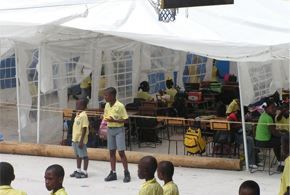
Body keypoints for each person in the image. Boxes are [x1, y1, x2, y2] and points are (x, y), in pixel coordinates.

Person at [103, 87, 131, 183]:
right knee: (111, 152)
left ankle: (126, 172)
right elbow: (106, 116)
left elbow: (126, 120)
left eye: (106, 95)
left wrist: (114, 120)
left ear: (112, 96)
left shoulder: (120, 106)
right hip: (110, 129)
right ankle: (113, 172)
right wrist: (104, 119)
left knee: (121, 152)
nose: (105, 97)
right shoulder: (107, 105)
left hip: (119, 130)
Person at [255, 99, 283, 171]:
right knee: (282, 141)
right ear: (266, 108)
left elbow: (274, 131)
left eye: (275, 107)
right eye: (272, 108)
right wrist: (283, 134)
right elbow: (274, 132)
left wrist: (281, 132)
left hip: (258, 141)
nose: (274, 109)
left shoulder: (264, 115)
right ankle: (281, 163)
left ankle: (281, 162)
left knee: (278, 141)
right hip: (264, 142)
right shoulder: (268, 118)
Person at [70, 98, 90, 178]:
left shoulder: (84, 115)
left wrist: (81, 141)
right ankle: (78, 170)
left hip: (80, 140)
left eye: (78, 105)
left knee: (84, 155)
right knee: (78, 155)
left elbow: (84, 128)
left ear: (83, 106)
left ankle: (85, 172)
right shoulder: (78, 114)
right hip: (75, 139)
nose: (76, 106)